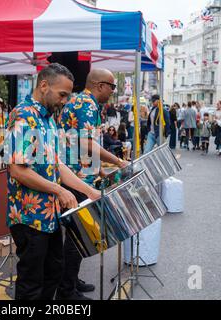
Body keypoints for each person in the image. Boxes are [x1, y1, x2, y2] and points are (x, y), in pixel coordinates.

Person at [5, 63, 101, 300]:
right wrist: (58, 190)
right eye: (62, 95)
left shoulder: (47, 118)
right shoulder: (24, 115)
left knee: (53, 272)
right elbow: (18, 170)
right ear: (44, 85)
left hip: (49, 214)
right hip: (29, 217)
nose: (65, 101)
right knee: (31, 283)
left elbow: (56, 164)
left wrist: (90, 192)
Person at [58, 68, 129, 300]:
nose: (112, 91)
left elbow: (81, 143)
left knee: (76, 237)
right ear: (100, 85)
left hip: (80, 174)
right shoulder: (87, 105)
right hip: (75, 179)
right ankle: (66, 292)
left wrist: (100, 170)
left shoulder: (83, 103)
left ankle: (71, 281)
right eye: (112, 86)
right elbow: (87, 144)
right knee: (77, 236)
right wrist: (118, 162)